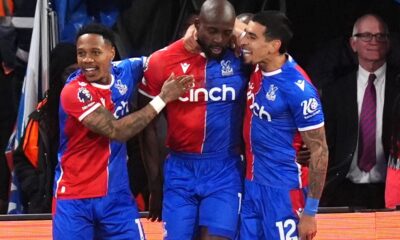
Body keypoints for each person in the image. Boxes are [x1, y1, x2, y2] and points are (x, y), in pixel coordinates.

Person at [52, 23, 193, 240]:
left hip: (116, 198)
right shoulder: (75, 91)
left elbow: (159, 60)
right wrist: (162, 98)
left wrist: (188, 39)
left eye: (95, 52)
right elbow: (116, 130)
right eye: (81, 54)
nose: (87, 60)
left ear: (111, 52)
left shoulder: (126, 71)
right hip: (74, 198)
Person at [138, 0, 248, 239]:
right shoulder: (162, 61)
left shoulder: (242, 58)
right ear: (197, 25)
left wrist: (238, 32)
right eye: (212, 31)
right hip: (180, 170)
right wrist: (155, 184)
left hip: (225, 169)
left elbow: (276, 53)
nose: (219, 39)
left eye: (226, 32)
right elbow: (147, 125)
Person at [240, 10, 328, 240]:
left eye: (251, 37)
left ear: (273, 45)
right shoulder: (258, 66)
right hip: (252, 186)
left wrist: (310, 213)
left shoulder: (299, 90)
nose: (243, 41)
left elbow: (320, 151)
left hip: (285, 193)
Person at [321, 13, 400, 209]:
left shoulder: (398, 86)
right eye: (366, 35)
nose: (374, 41)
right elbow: (326, 143)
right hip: (343, 189)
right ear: (353, 43)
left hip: (391, 190)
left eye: (381, 36)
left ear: (389, 43)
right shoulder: (335, 91)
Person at [13, 43, 78, 213]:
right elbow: (22, 158)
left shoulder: (100, 106)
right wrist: (37, 190)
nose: (76, 79)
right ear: (57, 75)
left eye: (80, 72)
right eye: (70, 73)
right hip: (48, 206)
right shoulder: (42, 115)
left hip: (90, 202)